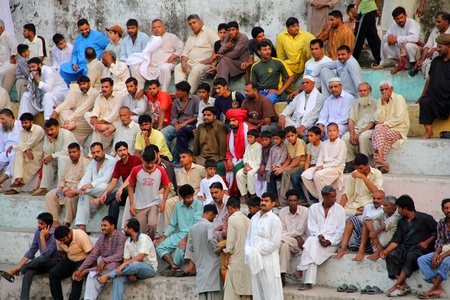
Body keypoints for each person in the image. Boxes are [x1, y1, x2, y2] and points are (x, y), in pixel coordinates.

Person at [381, 195, 437, 296]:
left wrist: (426, 242)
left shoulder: (425, 218)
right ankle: (402, 284)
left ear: (405, 208)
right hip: (406, 247)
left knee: (411, 256)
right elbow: (396, 240)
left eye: (399, 208)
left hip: (421, 249)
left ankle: (396, 285)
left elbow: (437, 232)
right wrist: (386, 251)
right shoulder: (402, 222)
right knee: (391, 254)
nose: (397, 210)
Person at [296, 186, 345, 290]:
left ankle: (301, 269)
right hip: (317, 239)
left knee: (311, 245)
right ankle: (308, 282)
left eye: (335, 195)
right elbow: (311, 226)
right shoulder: (314, 208)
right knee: (312, 247)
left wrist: (330, 241)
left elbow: (340, 231)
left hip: (331, 244)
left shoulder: (340, 210)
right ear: (324, 197)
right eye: (332, 196)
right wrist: (319, 236)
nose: (335, 198)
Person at [3, 213, 60, 300]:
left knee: (42, 258)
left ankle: (19, 268)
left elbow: (46, 255)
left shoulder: (55, 235)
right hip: (42, 263)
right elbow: (31, 251)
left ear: (48, 225)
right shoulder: (38, 232)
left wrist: (42, 237)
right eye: (38, 223)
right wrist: (18, 265)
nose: (38, 225)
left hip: (54, 263)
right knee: (28, 272)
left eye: (41, 224)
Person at [97, 218, 158, 300]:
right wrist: (129, 273)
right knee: (118, 279)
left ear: (131, 229)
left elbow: (140, 256)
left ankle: (110, 275)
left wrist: (124, 265)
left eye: (125, 227)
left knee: (135, 264)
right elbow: (126, 259)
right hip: (133, 270)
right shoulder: (128, 241)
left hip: (149, 269)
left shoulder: (144, 238)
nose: (124, 229)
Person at [71, 216, 127, 300]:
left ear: (112, 226)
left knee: (95, 271)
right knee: (92, 276)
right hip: (104, 268)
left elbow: (120, 255)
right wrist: (80, 269)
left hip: (117, 267)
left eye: (105, 225)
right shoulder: (101, 239)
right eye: (101, 226)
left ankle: (87, 271)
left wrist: (104, 260)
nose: (102, 228)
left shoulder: (121, 237)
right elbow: (93, 255)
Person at [155, 184, 203, 275]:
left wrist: (184, 240)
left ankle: (175, 266)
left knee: (179, 250)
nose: (191, 199)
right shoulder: (178, 206)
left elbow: (196, 226)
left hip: (192, 235)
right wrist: (163, 237)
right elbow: (172, 224)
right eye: (188, 197)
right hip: (180, 234)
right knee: (160, 247)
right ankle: (173, 265)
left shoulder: (199, 205)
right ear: (182, 197)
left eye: (192, 196)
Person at [245, 192, 283, 299]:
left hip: (268, 262)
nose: (263, 203)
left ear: (273, 203)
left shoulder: (275, 220)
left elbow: (274, 243)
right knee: (257, 293)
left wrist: (257, 251)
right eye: (262, 200)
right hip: (254, 260)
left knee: (271, 292)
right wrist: (249, 252)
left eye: (266, 201)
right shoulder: (254, 218)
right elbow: (248, 238)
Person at [128, 145, 170, 239]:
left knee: (152, 224)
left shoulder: (160, 170)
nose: (150, 165)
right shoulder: (136, 170)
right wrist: (132, 204)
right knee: (140, 233)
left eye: (152, 162)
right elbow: (130, 186)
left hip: (154, 203)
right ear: (143, 159)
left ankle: (150, 242)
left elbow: (167, 187)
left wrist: (163, 202)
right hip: (140, 205)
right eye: (148, 163)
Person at [45, 142, 90, 228]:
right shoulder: (69, 163)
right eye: (70, 152)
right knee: (50, 195)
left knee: (71, 197)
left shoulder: (86, 162)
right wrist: (61, 187)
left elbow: (85, 180)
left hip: (76, 190)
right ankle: (54, 221)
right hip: (65, 188)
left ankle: (67, 223)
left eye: (74, 152)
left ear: (79, 152)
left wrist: (73, 190)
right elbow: (63, 178)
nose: (71, 154)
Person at [96, 141, 142, 224]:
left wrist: (120, 188)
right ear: (117, 152)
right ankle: (112, 227)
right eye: (120, 151)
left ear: (127, 150)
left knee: (127, 188)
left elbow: (131, 177)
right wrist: (105, 192)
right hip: (126, 192)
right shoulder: (118, 163)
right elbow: (114, 181)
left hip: (137, 190)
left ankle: (102, 200)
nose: (123, 152)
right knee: (114, 202)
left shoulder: (135, 159)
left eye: (124, 149)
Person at [74, 142, 116, 232]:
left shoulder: (112, 161)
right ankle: (82, 226)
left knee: (103, 186)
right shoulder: (93, 162)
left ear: (103, 151)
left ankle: (100, 198)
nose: (96, 154)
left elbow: (107, 178)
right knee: (83, 196)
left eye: (98, 151)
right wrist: (80, 188)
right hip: (93, 192)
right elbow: (86, 177)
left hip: (107, 190)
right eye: (93, 153)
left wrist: (90, 185)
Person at [132, 19, 183, 92]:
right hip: (152, 66)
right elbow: (146, 52)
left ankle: (164, 91)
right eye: (154, 28)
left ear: (163, 27)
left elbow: (181, 48)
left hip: (166, 63)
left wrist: (173, 56)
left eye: (158, 27)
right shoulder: (151, 39)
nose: (156, 29)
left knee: (165, 68)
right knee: (135, 68)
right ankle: (140, 90)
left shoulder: (171, 37)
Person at [32, 118, 78, 196]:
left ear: (57, 127)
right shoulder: (48, 136)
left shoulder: (66, 134)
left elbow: (67, 151)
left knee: (61, 158)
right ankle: (44, 187)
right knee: (46, 160)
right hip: (58, 158)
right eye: (47, 130)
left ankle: (61, 187)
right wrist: (51, 143)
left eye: (51, 129)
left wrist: (52, 156)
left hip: (73, 159)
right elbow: (47, 153)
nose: (49, 132)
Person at [333, 189, 384, 259]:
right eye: (374, 198)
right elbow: (363, 224)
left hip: (376, 241)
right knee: (352, 218)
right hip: (366, 238)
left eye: (378, 199)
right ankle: (343, 248)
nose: (375, 200)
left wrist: (373, 234)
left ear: (384, 199)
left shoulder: (385, 209)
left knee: (367, 220)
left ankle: (361, 251)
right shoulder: (368, 207)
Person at [162, 149, 206, 230]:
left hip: (195, 196)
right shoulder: (180, 172)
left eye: (184, 157)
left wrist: (204, 194)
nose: (181, 159)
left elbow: (210, 179)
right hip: (182, 196)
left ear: (190, 158)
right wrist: (180, 198)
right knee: (168, 203)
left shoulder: (199, 169)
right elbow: (179, 188)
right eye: (180, 158)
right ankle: (166, 230)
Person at [302, 123, 346, 201]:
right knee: (305, 175)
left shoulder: (342, 144)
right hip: (323, 166)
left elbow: (338, 162)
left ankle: (322, 200)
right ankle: (320, 196)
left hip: (336, 168)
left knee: (317, 175)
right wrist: (319, 166)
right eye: (329, 131)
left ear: (338, 131)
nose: (332, 132)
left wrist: (323, 167)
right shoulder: (325, 143)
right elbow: (320, 158)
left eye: (334, 130)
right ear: (327, 132)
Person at [174, 14, 218, 94]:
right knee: (178, 67)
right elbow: (184, 53)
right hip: (191, 63)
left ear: (200, 21)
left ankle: (186, 94)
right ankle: (179, 91)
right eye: (190, 24)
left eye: (194, 22)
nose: (192, 25)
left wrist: (210, 59)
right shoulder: (190, 37)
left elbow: (218, 46)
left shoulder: (209, 32)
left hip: (204, 63)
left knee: (196, 70)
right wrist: (183, 62)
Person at [372, 81, 409, 173]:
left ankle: (380, 161)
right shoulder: (379, 101)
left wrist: (383, 125)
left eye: (386, 89)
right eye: (382, 90)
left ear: (391, 89)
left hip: (399, 129)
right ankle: (383, 164)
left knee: (376, 133)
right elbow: (378, 118)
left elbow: (399, 119)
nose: (384, 92)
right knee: (378, 133)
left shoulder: (399, 98)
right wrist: (383, 105)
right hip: (385, 129)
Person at [186, 204, 222, 299]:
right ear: (210, 214)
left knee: (203, 292)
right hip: (212, 263)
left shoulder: (193, 227)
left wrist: (200, 249)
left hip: (200, 265)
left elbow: (190, 246)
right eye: (213, 217)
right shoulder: (209, 225)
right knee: (213, 291)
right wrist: (217, 249)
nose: (213, 219)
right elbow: (211, 238)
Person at [418, 33, 450, 139]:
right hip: (434, 96)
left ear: (448, 47)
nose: (437, 49)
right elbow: (429, 79)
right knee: (424, 101)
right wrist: (423, 94)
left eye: (440, 47)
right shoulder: (436, 61)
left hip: (448, 96)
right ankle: (429, 131)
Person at [59, 18, 109, 85]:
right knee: (63, 69)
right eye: (82, 30)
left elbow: (108, 48)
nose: (84, 31)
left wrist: (102, 60)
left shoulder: (98, 36)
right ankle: (74, 87)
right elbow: (75, 53)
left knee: (87, 72)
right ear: (79, 30)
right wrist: (74, 63)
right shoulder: (78, 39)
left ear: (89, 26)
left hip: (92, 65)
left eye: (86, 29)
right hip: (79, 66)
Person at [417, 198, 450, 298]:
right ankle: (438, 288)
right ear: (442, 210)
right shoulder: (441, 223)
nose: (449, 210)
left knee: (445, 262)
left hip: (446, 254)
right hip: (443, 251)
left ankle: (432, 289)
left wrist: (442, 256)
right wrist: (436, 254)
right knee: (421, 260)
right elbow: (440, 241)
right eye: (446, 208)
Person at [50, 75, 97, 146]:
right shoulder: (79, 94)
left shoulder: (94, 93)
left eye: (84, 84)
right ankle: (68, 126)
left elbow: (83, 109)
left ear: (89, 83)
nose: (82, 86)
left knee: (71, 133)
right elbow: (68, 103)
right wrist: (56, 111)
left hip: (88, 121)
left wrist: (69, 119)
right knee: (63, 111)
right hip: (77, 119)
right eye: (80, 85)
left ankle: (68, 127)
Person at [50, 225, 93, 300]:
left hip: (84, 259)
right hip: (71, 259)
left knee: (76, 277)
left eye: (63, 240)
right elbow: (63, 253)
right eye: (60, 241)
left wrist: (92, 271)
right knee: (53, 273)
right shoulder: (59, 240)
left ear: (69, 234)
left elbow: (92, 255)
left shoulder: (81, 236)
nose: (62, 242)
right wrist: (63, 267)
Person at [160, 81, 199, 164]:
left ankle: (176, 159)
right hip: (177, 124)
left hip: (190, 124)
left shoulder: (195, 99)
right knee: (163, 133)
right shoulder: (176, 101)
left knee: (181, 133)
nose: (176, 93)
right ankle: (168, 157)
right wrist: (176, 125)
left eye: (178, 91)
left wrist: (185, 123)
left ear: (184, 92)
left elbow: (197, 116)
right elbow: (173, 116)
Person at [341, 82, 377, 173]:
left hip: (369, 129)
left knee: (362, 137)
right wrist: (352, 133)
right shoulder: (355, 103)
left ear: (370, 91)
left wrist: (359, 134)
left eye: (365, 90)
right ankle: (351, 163)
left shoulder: (376, 103)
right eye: (360, 91)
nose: (362, 93)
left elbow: (372, 123)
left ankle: (365, 164)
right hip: (356, 129)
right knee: (344, 138)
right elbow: (351, 120)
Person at [353, 195, 401, 261]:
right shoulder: (384, 213)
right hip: (381, 240)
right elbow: (367, 219)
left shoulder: (398, 215)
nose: (383, 208)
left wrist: (375, 233)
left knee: (389, 229)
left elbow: (387, 224)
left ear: (393, 207)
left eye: (386, 206)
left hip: (393, 242)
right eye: (383, 205)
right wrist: (373, 233)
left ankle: (379, 251)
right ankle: (374, 250)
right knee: (374, 222)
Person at [6, 113, 44, 195]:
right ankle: (19, 179)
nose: (24, 125)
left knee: (19, 155)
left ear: (32, 122)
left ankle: (16, 187)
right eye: (22, 123)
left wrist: (13, 146)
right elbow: (22, 145)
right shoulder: (22, 132)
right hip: (27, 153)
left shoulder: (38, 130)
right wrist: (26, 149)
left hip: (37, 155)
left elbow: (29, 144)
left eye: (26, 123)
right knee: (17, 154)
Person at [216, 108, 253, 195]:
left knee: (237, 168)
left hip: (248, 159)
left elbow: (256, 148)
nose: (231, 123)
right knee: (219, 167)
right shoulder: (230, 135)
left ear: (239, 120)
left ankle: (237, 193)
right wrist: (228, 160)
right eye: (230, 121)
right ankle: (225, 191)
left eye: (234, 120)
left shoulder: (250, 131)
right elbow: (228, 150)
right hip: (234, 158)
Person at [222, 196, 252, 299]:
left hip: (236, 259)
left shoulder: (232, 219)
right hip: (247, 261)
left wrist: (226, 257)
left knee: (232, 291)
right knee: (246, 290)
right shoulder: (248, 220)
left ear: (229, 208)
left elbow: (230, 242)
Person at [267, 126, 307, 203]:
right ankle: (274, 199)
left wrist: (282, 169)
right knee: (272, 174)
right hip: (293, 165)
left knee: (285, 173)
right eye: (288, 136)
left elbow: (297, 161)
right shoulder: (288, 144)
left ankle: (284, 199)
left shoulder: (300, 143)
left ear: (296, 134)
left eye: (292, 135)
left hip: (300, 165)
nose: (290, 138)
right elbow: (289, 159)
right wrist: (280, 168)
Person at [84, 77, 124, 151]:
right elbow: (96, 108)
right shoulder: (99, 97)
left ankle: (91, 155)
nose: (104, 89)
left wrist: (102, 121)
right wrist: (93, 117)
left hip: (112, 123)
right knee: (86, 114)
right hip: (100, 123)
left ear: (111, 87)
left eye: (106, 87)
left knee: (96, 131)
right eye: (102, 87)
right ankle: (99, 127)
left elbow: (114, 115)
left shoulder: (119, 97)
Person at [279, 190, 309, 287]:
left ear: (298, 201)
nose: (293, 203)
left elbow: (300, 230)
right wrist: (294, 236)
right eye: (290, 201)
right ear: (286, 201)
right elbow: (282, 230)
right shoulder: (282, 212)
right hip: (291, 242)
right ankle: (282, 273)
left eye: (295, 200)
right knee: (284, 245)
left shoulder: (305, 211)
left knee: (281, 239)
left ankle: (282, 274)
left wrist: (286, 236)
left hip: (301, 243)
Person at [276, 17, 314, 90]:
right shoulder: (280, 37)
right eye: (293, 26)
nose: (296, 28)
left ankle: (312, 66)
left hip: (304, 62)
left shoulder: (307, 35)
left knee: (309, 42)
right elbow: (280, 57)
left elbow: (316, 47)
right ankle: (293, 93)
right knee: (281, 71)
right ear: (287, 28)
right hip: (291, 65)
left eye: (297, 25)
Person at [381, 6, 421, 74]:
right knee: (386, 45)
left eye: (401, 17)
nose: (400, 20)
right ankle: (400, 64)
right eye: (397, 19)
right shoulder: (394, 26)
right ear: (394, 19)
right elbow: (384, 37)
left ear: (406, 15)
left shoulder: (412, 23)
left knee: (408, 46)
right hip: (401, 53)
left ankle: (413, 65)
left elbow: (415, 38)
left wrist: (396, 39)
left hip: (415, 51)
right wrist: (388, 37)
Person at [291, 126, 323, 204]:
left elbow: (322, 160)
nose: (309, 138)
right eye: (308, 135)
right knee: (294, 177)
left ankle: (314, 199)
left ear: (318, 136)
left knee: (311, 177)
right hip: (310, 165)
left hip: (318, 165)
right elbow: (308, 160)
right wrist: (305, 170)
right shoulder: (309, 145)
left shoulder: (323, 145)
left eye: (311, 136)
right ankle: (302, 198)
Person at [415, 12, 450, 78]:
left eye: (439, 22)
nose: (436, 24)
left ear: (446, 22)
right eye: (436, 22)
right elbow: (427, 46)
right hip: (434, 60)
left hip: (446, 59)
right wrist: (422, 60)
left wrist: (435, 48)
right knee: (428, 66)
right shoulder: (435, 31)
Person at [353, 0, 382, 67]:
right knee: (373, 37)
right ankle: (380, 60)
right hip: (371, 9)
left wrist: (355, 6)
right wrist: (376, 8)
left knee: (358, 37)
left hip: (365, 10)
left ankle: (352, 61)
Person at [236, 129, 262, 197]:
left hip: (255, 166)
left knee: (250, 174)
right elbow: (245, 157)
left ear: (256, 138)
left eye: (251, 137)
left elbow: (258, 161)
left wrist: (250, 167)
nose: (249, 139)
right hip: (247, 166)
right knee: (239, 174)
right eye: (248, 137)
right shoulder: (248, 146)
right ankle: (245, 194)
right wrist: (246, 165)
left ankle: (252, 193)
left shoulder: (259, 147)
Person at [265, 130, 288, 205]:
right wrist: (268, 169)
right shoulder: (273, 148)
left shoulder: (285, 147)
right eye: (274, 139)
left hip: (281, 168)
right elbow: (270, 160)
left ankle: (274, 199)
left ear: (283, 139)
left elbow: (283, 158)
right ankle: (273, 199)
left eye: (277, 139)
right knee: (268, 176)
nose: (275, 140)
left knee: (271, 175)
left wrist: (278, 166)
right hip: (273, 168)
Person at [0, 109, 22, 189]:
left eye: (3, 119)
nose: (1, 121)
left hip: (17, 150)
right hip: (5, 153)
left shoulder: (20, 125)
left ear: (10, 117)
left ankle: (2, 180)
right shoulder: (3, 130)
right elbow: (1, 146)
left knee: (15, 157)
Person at [0, 19, 18, 94]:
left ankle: (2, 95)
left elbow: (15, 45)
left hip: (9, 63)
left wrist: (13, 56)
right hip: (2, 63)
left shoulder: (8, 36)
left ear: (0, 28)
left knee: (1, 72)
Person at [254, 131, 274, 198]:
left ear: (270, 139)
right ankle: (258, 195)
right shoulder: (263, 148)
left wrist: (265, 167)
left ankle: (263, 195)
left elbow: (272, 160)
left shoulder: (273, 147)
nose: (264, 142)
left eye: (266, 140)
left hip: (270, 167)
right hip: (264, 166)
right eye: (263, 140)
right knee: (256, 176)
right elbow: (263, 159)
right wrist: (262, 165)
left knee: (266, 177)